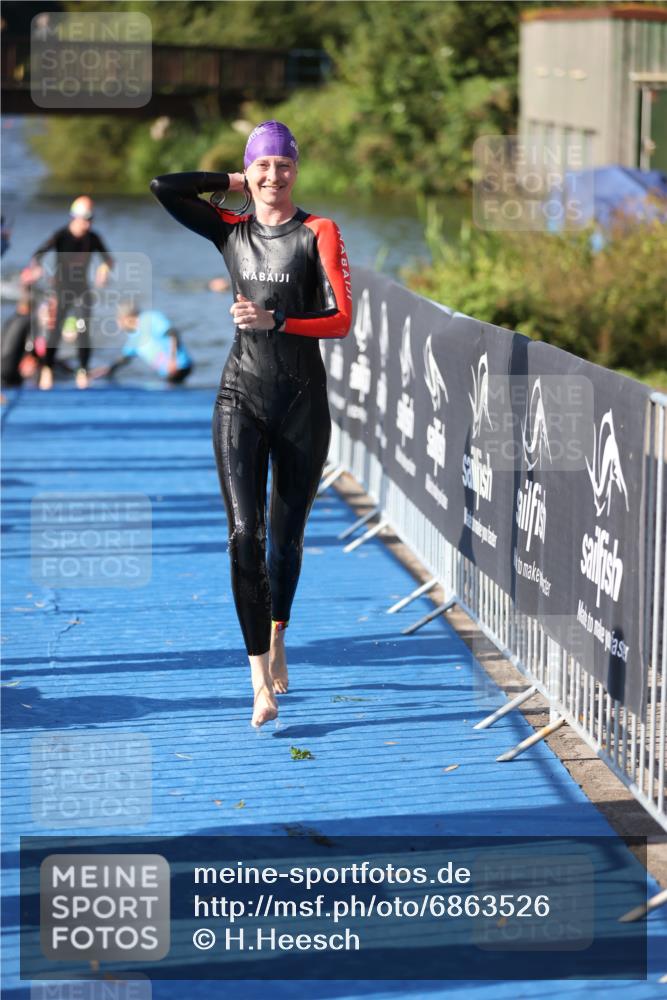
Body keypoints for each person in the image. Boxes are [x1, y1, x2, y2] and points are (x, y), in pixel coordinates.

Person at [150, 120, 353, 728]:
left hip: (300, 404)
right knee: (244, 535)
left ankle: (279, 629)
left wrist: (278, 322)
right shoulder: (230, 229)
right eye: (262, 166)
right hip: (240, 397)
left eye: (283, 165)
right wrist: (234, 180)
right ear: (249, 171)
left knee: (284, 542)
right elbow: (165, 186)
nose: (273, 176)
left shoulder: (318, 231)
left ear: (297, 168)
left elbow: (341, 319)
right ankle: (258, 678)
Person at [29, 195, 114, 390]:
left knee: (83, 329)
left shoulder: (93, 238)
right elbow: (37, 254)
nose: (88, 223)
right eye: (86, 218)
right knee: (55, 330)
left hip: (82, 289)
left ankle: (83, 371)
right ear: (74, 217)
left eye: (91, 219)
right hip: (61, 289)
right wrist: (37, 269)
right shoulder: (61, 235)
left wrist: (103, 271)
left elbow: (108, 261)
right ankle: (47, 369)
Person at [89, 302, 193, 384]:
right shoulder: (133, 338)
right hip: (168, 374)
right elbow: (123, 360)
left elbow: (173, 333)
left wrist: (172, 359)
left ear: (125, 318)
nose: (118, 324)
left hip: (180, 366)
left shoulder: (150, 318)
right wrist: (100, 372)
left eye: (118, 320)